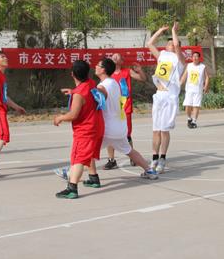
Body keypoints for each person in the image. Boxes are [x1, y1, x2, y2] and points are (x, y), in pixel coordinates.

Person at [94, 58, 158, 180]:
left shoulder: (102, 86)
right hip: (119, 127)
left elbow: (98, 103)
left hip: (107, 129)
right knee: (130, 151)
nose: (95, 66)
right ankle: (150, 171)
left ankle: (74, 175)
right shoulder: (114, 83)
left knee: (86, 152)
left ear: (103, 70)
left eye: (98, 65)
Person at [53, 60, 105, 199]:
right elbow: (91, 95)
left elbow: (73, 115)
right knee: (88, 154)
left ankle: (72, 188)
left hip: (85, 130)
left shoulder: (79, 94)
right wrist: (73, 92)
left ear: (72, 74)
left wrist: (60, 118)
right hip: (97, 125)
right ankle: (93, 178)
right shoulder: (91, 83)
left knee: (78, 159)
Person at [147, 22, 186, 173]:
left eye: (172, 43)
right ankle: (154, 158)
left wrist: (174, 31)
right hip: (159, 96)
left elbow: (176, 45)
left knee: (164, 130)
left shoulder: (179, 60)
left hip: (170, 97)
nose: (170, 44)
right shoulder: (162, 56)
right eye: (168, 43)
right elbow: (150, 44)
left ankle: (162, 158)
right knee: (156, 130)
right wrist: (160, 30)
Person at [103, 52, 147, 170]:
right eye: (113, 55)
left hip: (124, 107)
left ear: (122, 61)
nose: (115, 57)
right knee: (110, 133)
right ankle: (111, 160)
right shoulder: (108, 75)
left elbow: (143, 78)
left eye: (117, 56)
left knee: (126, 133)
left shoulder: (127, 72)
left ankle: (133, 157)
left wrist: (140, 71)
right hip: (112, 108)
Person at [179, 51, 209, 128]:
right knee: (187, 105)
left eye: (196, 56)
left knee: (196, 106)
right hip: (189, 90)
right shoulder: (189, 66)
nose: (195, 58)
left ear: (199, 58)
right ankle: (189, 118)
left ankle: (194, 121)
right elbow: (184, 76)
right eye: (193, 56)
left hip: (198, 90)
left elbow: (207, 77)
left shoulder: (203, 67)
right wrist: (179, 84)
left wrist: (206, 86)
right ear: (192, 58)